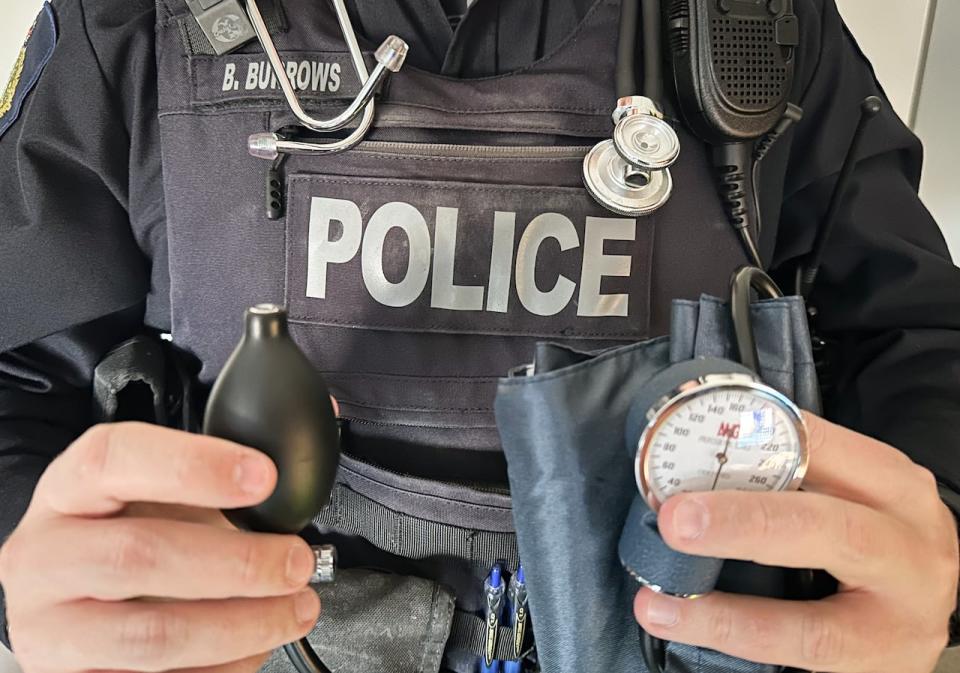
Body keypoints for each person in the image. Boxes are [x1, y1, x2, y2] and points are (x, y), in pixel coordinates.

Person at [0, 1, 958, 672]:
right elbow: (17, 382)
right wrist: (28, 575)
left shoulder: (758, 27)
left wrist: (935, 556)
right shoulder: (128, 22)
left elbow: (916, 347)